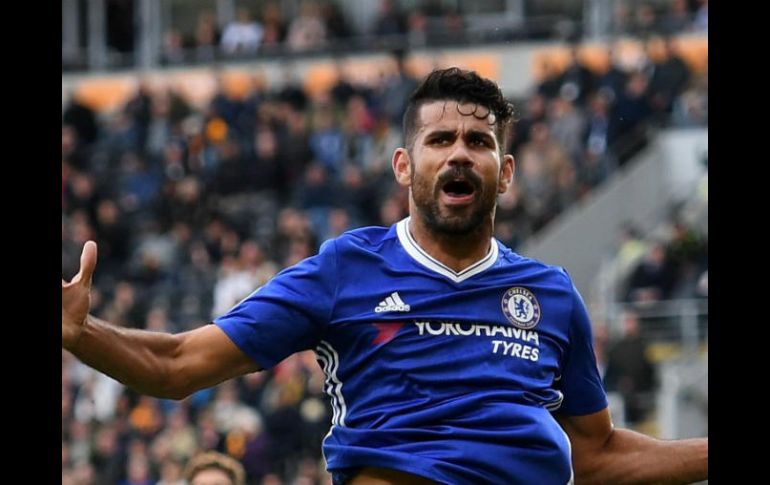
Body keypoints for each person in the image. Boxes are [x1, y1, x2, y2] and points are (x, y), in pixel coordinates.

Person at [62, 67, 707, 484]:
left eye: (479, 142)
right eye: (440, 140)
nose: (459, 153)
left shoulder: (551, 295)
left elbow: (595, 456)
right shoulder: (345, 270)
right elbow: (177, 365)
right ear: (404, 166)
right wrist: (81, 333)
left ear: (506, 173)